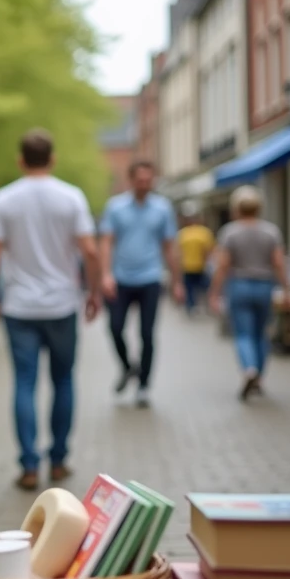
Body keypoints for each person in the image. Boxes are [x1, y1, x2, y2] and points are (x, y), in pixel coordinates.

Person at [0, 129, 100, 491]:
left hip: (19, 306)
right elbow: (91, 252)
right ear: (53, 159)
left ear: (20, 160)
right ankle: (59, 460)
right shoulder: (71, 197)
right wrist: (93, 292)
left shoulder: (4, 199)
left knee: (25, 383)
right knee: (63, 380)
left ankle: (30, 465)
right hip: (62, 304)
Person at [99, 160, 183, 407]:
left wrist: (177, 282)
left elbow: (170, 247)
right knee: (115, 328)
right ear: (131, 179)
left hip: (150, 278)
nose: (145, 183)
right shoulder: (115, 207)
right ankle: (128, 367)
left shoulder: (162, 208)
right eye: (140, 179)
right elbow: (106, 242)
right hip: (121, 279)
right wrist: (105, 274)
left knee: (147, 334)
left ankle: (144, 385)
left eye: (149, 179)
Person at [206, 186, 290, 401]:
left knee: (243, 333)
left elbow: (223, 265)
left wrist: (214, 292)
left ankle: (249, 369)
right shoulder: (271, 231)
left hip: (239, 285)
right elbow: (279, 263)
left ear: (236, 208)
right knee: (261, 334)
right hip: (264, 286)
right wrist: (288, 290)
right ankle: (259, 377)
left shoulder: (229, 232)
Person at [178, 212, 214, 314]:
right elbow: (209, 250)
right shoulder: (204, 232)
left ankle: (191, 306)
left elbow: (178, 251)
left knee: (189, 288)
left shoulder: (182, 233)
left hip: (186, 266)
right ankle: (208, 304)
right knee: (206, 287)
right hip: (201, 265)